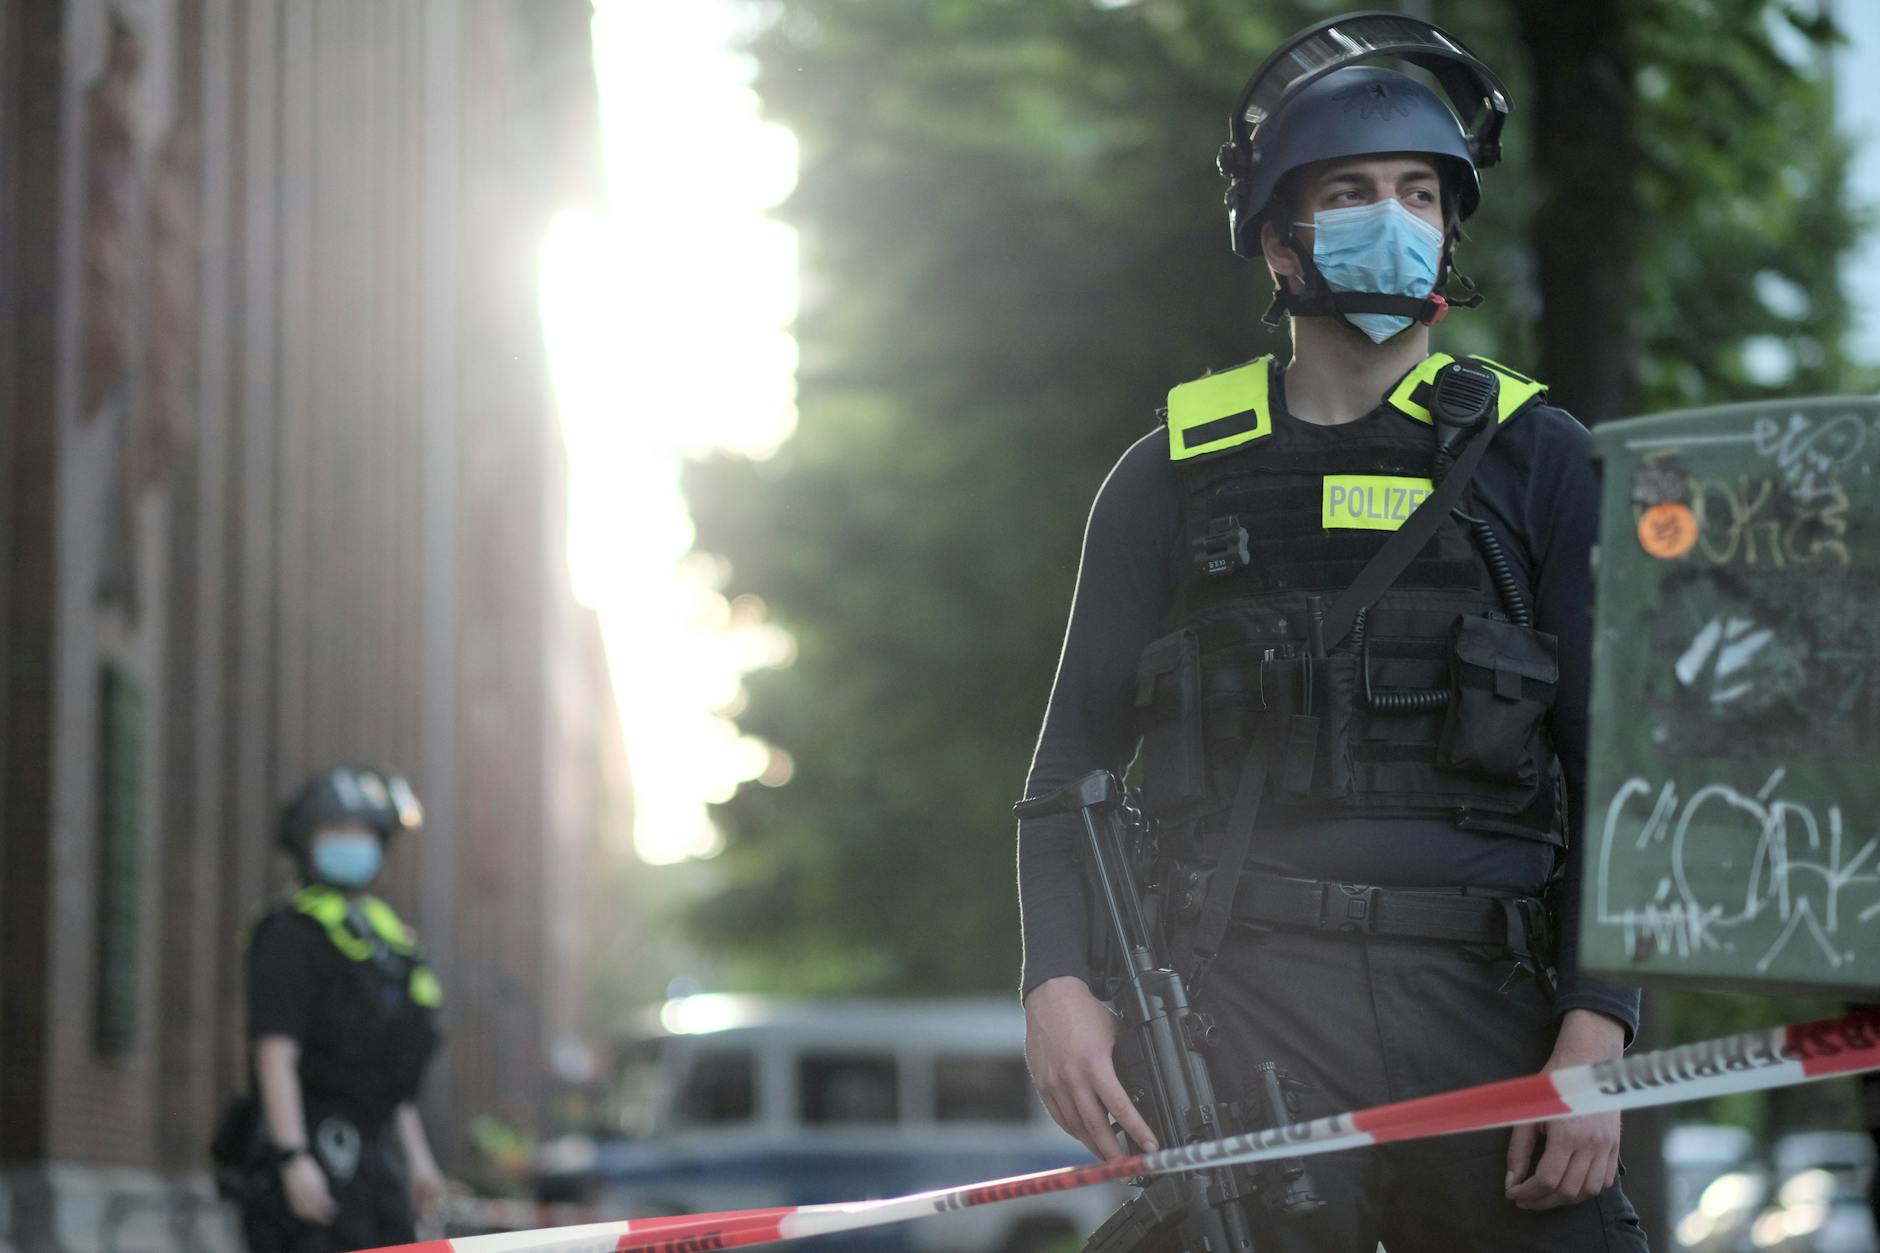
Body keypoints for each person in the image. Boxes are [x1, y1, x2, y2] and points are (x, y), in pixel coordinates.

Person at [1016, 13, 1647, 1250]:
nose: (1392, 214)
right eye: (1351, 190)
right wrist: (1057, 983)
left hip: (1488, 1003)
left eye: (1419, 191)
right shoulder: (1167, 477)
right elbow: (1066, 770)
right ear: (1275, 236)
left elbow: (1621, 769)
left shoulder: (1542, 459)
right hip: (1244, 1000)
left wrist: (1598, 1026)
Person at [238, 764, 446, 1253]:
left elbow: (395, 1076)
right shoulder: (289, 934)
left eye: (361, 831)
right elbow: (275, 1053)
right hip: (315, 1145)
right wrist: (293, 1157)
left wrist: (417, 1159)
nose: (351, 841)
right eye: (335, 830)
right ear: (306, 843)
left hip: (377, 1156)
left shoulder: (388, 943)